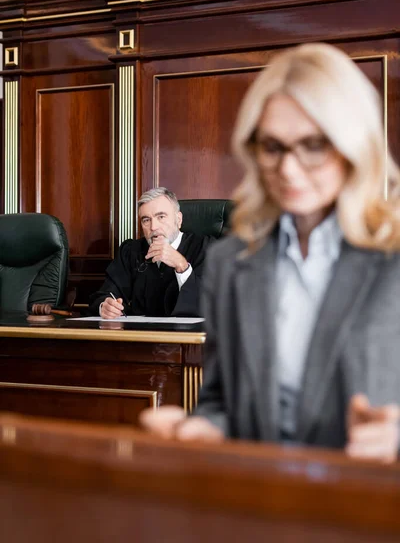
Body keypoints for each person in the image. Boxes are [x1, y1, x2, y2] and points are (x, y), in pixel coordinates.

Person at [141, 43, 400, 463]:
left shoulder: (392, 254)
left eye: (314, 145)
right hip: (261, 507)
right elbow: (222, 403)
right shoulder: (231, 262)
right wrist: (200, 429)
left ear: (353, 145)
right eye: (273, 147)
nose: (290, 169)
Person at [89, 187, 212, 318]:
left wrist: (182, 266)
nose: (153, 227)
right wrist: (105, 306)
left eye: (161, 217)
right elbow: (106, 293)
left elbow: (211, 303)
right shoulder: (131, 251)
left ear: (179, 219)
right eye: (146, 220)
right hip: (137, 335)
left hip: (187, 336)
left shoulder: (206, 249)